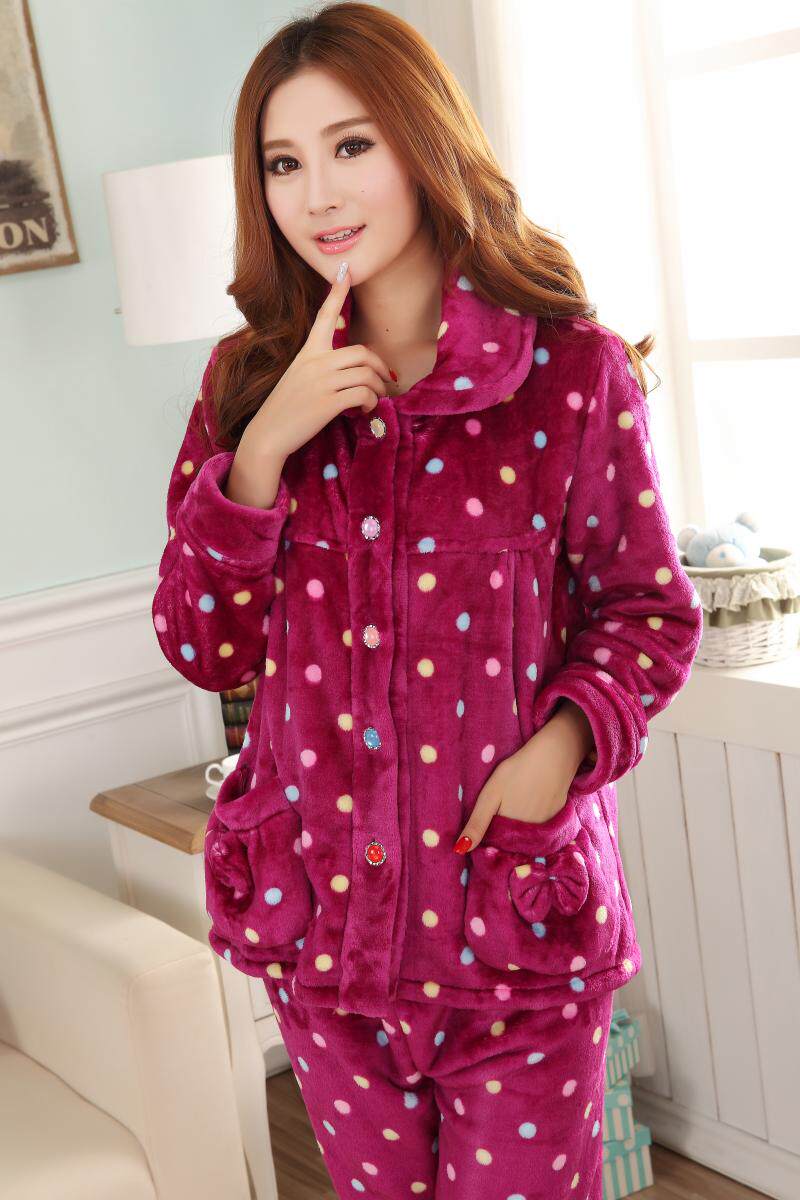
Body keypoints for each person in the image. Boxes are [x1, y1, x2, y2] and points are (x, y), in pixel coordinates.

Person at [151, 4, 704, 1196]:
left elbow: (647, 611)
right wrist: (262, 452)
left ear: (421, 142)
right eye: (282, 163)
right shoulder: (246, 382)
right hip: (322, 927)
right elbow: (202, 645)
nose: (317, 194)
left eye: (350, 145)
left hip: (511, 929)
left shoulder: (567, 372)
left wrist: (560, 747)